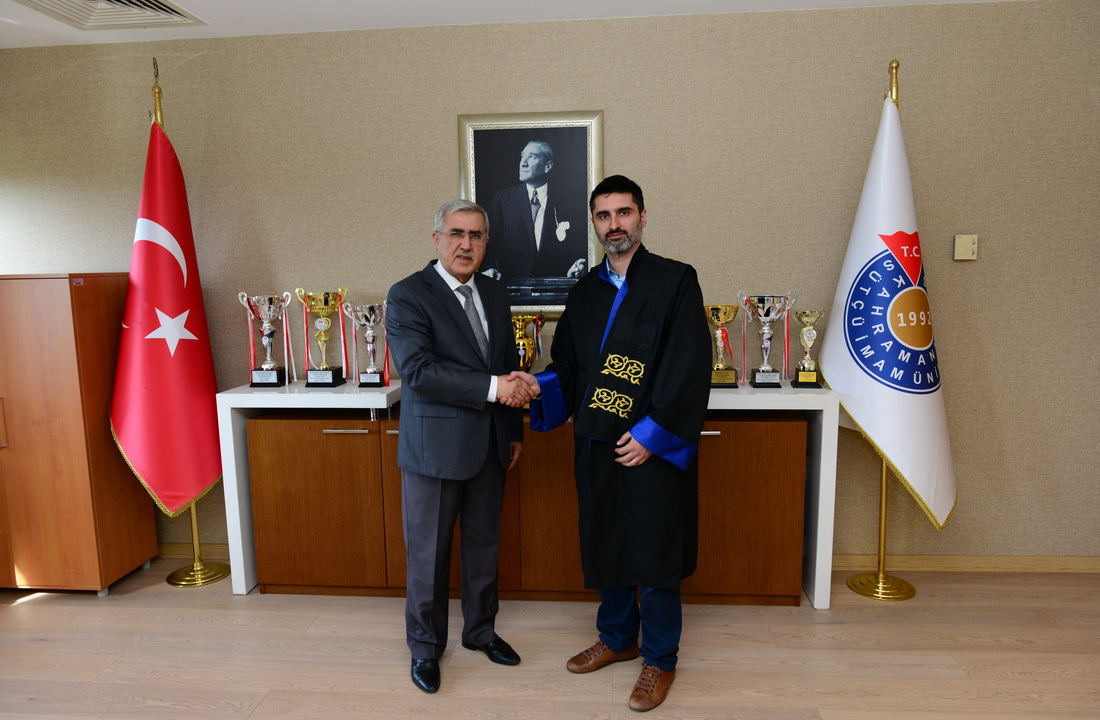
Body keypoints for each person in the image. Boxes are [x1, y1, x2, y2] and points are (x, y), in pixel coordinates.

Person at [514, 175, 711, 712]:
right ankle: (619, 637)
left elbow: (688, 365)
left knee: (655, 550)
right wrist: (540, 387)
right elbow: (570, 367)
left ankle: (660, 658)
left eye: (624, 213)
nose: (614, 224)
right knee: (607, 540)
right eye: (604, 216)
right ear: (595, 224)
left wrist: (651, 435)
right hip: (598, 443)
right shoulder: (583, 293)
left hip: (652, 447)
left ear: (642, 217)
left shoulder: (675, 281)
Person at [385, 199, 534, 694]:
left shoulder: (494, 292)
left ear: (486, 242)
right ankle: (425, 648)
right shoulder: (408, 294)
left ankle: (481, 631)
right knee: (428, 555)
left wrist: (513, 432)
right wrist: (495, 389)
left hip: (490, 444)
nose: (466, 244)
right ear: (437, 239)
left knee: (484, 546)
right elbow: (419, 372)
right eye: (456, 233)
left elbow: (504, 361)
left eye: (476, 235)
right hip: (434, 449)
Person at [482, 140, 588, 280]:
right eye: (522, 156)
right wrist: (490, 268)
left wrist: (576, 268)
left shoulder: (567, 202)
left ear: (548, 166)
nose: (523, 163)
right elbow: (488, 243)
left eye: (532, 157)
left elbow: (578, 248)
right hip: (511, 287)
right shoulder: (502, 200)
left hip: (555, 287)